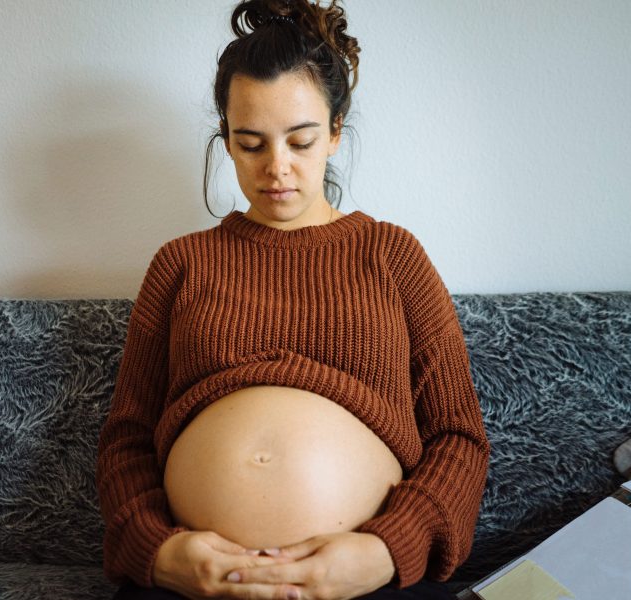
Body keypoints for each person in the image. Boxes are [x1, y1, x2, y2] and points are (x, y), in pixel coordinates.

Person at [95, 1, 491, 598]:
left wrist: (388, 549)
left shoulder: (392, 255)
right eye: (250, 143)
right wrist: (158, 551)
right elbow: (126, 437)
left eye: (300, 141)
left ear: (334, 133)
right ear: (225, 141)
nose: (276, 169)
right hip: (191, 586)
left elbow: (459, 437)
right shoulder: (181, 263)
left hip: (367, 583)